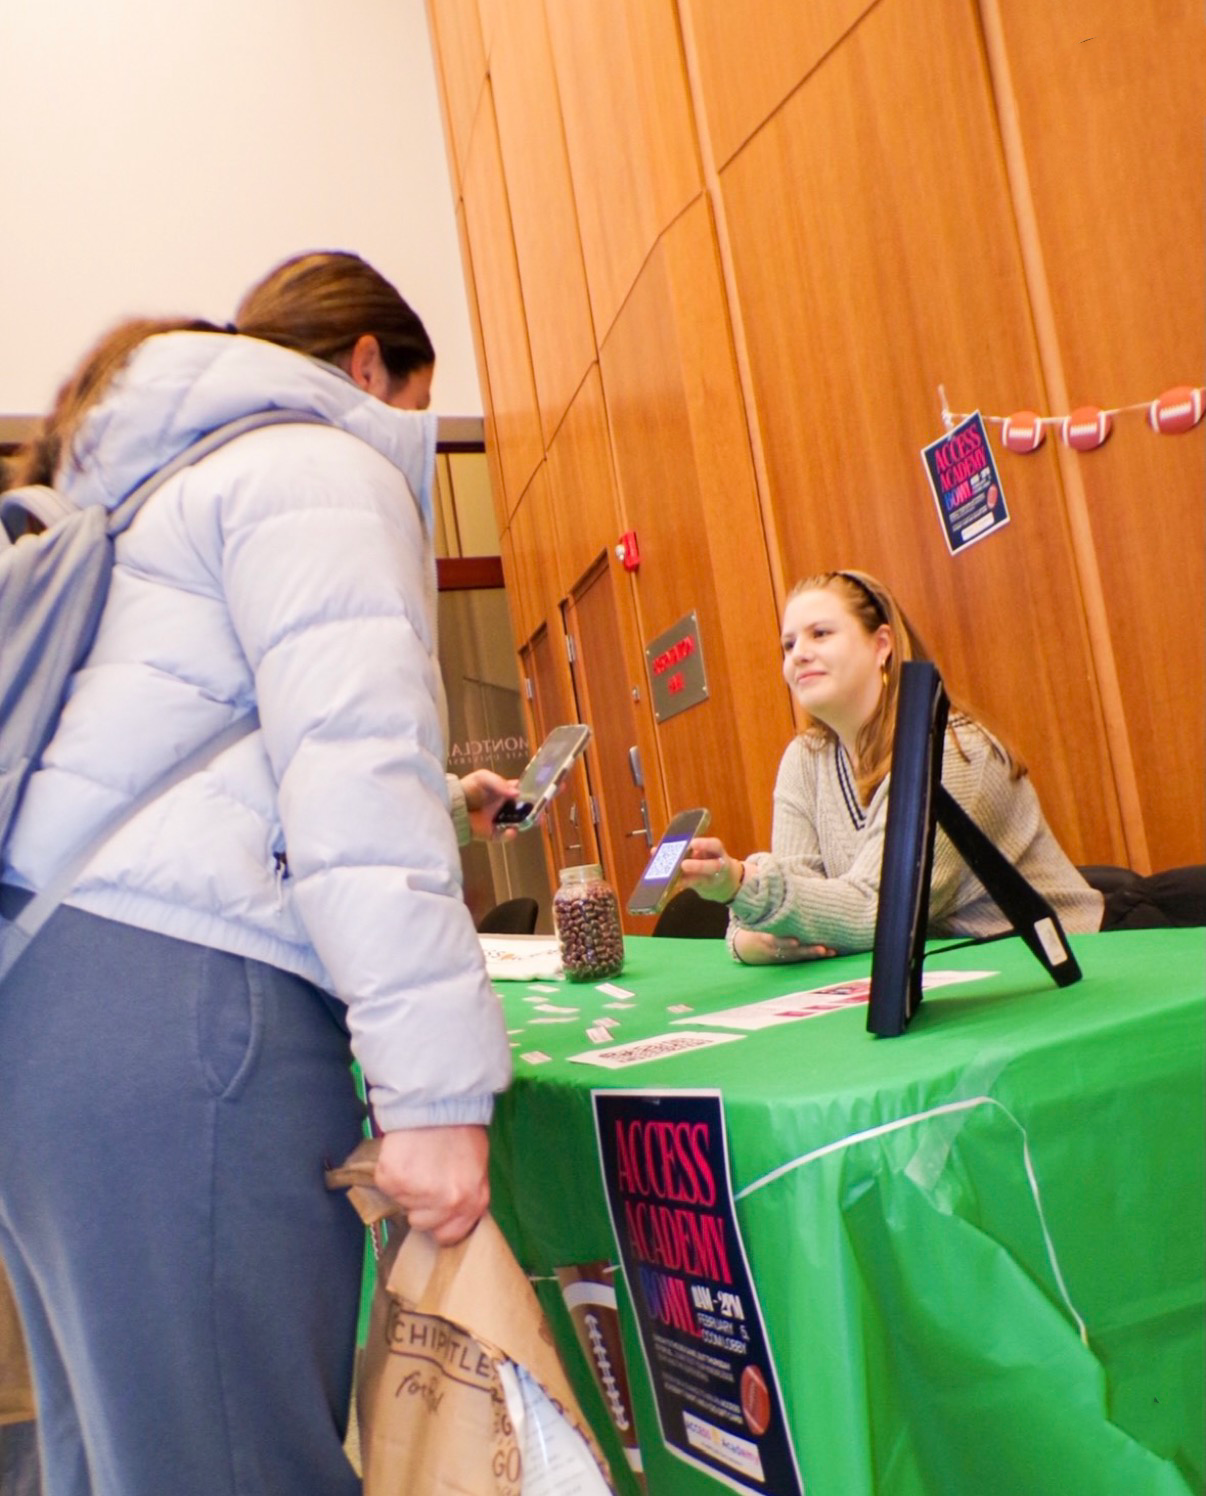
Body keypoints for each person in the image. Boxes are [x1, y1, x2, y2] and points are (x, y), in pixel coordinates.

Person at [0, 251, 515, 1495]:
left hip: (48, 995)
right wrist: (435, 1098)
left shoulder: (142, 493)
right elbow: (356, 771)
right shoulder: (314, 463)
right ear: (366, 368)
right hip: (185, 1017)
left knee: (119, 1458)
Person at [678, 568, 1104, 962]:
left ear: (881, 645)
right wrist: (750, 940)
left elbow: (879, 910)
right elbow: (793, 899)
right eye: (788, 645)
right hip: (949, 972)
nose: (798, 655)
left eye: (820, 634)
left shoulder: (952, 749)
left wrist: (738, 884)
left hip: (1061, 964)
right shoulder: (804, 759)